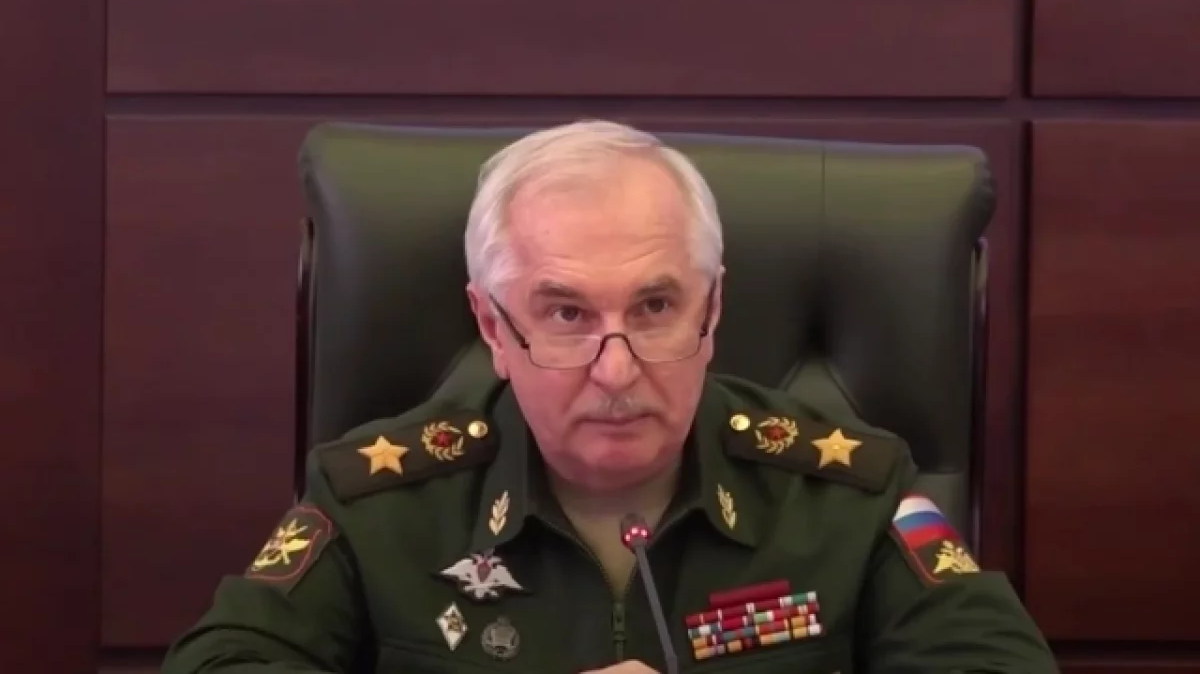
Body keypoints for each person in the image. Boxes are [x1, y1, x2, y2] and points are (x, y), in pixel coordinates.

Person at [162, 120, 1058, 674]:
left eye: (655, 308)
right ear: (492, 325)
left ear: (712, 311)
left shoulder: (843, 492)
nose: (617, 369)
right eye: (566, 315)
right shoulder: (382, 501)